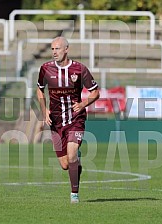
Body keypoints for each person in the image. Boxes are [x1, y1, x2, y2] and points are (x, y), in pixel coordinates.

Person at [37, 36, 100, 203]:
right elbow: (39, 90)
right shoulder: (45, 69)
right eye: (52, 49)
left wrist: (83, 103)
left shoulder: (79, 69)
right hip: (56, 122)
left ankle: (74, 195)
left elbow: (95, 92)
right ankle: (75, 163)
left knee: (71, 156)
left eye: (57, 48)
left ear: (66, 49)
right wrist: (45, 111)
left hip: (75, 119)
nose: (54, 52)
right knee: (65, 164)